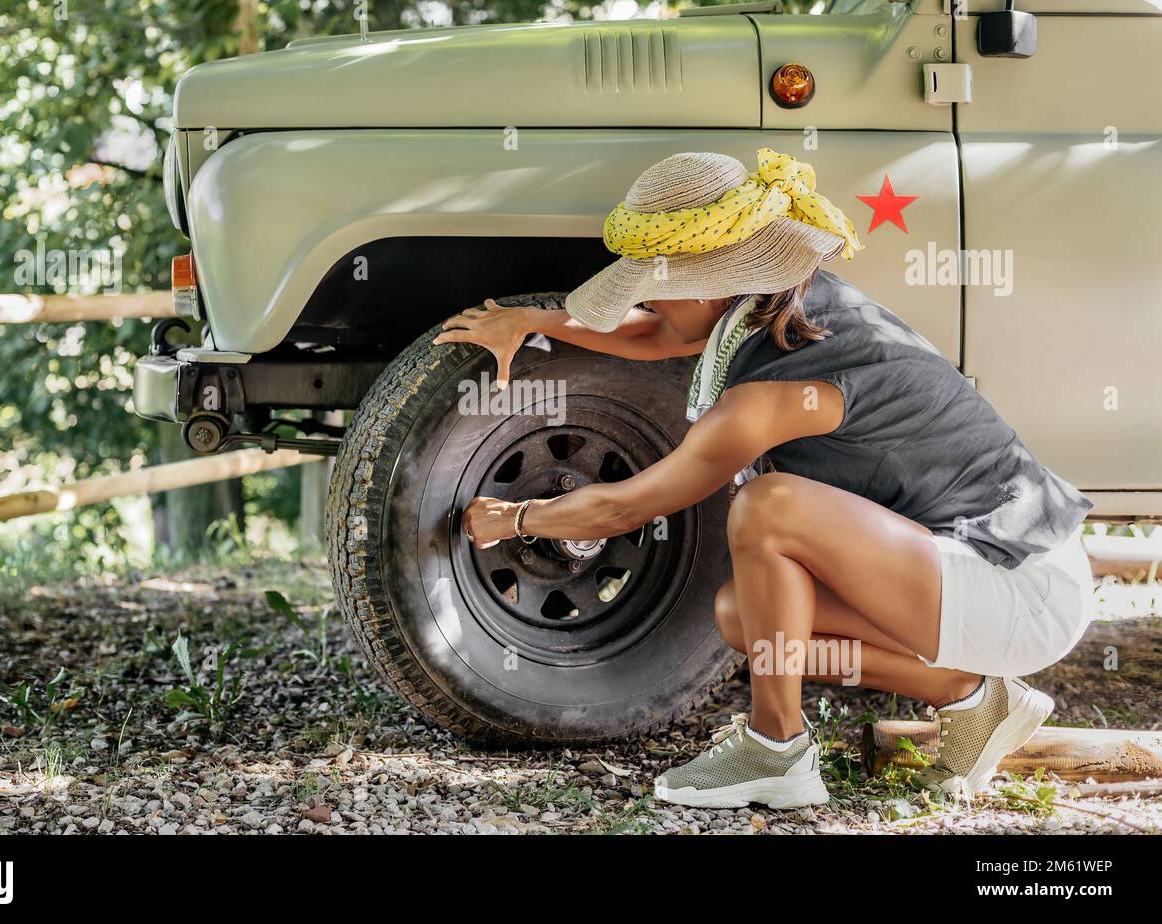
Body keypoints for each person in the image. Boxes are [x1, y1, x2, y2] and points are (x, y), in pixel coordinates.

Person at [435, 149, 1095, 809]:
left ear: (704, 288)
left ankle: (776, 750)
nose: (645, 303)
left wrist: (518, 519)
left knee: (767, 506)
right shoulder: (783, 305)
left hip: (1022, 580)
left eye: (652, 290)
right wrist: (533, 321)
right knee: (744, 617)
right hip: (973, 565)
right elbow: (661, 338)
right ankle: (973, 694)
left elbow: (622, 511)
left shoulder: (766, 399)